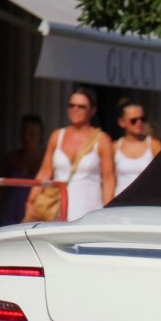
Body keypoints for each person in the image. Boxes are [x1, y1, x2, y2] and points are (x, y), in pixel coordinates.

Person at [29, 87, 113, 221]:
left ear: (92, 110)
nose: (75, 109)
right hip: (57, 210)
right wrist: (31, 200)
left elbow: (109, 179)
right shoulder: (57, 136)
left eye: (81, 106)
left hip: (89, 211)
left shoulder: (102, 140)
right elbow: (45, 172)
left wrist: (107, 211)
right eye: (71, 105)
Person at [0, 114, 43, 226]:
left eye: (31, 134)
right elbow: (0, 194)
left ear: (40, 135)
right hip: (10, 213)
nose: (27, 138)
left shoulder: (46, 161)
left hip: (35, 212)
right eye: (24, 133)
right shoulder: (11, 159)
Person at [113, 98, 161, 196]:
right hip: (120, 203)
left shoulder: (154, 145)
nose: (139, 123)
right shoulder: (115, 147)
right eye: (133, 120)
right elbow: (109, 180)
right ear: (122, 122)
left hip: (146, 202)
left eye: (142, 119)